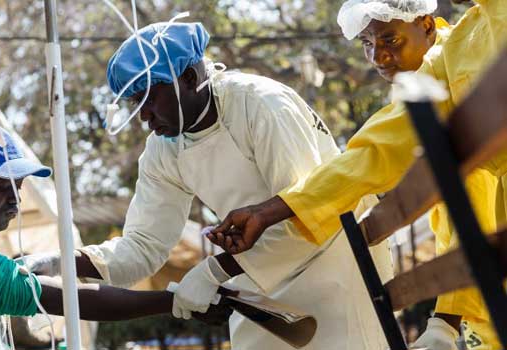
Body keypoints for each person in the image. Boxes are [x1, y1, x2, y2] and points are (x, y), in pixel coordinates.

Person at [27, 21, 393, 350]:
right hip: (258, 286)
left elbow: (310, 212)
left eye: (149, 98)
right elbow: (142, 247)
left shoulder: (260, 103)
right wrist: (60, 262)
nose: (144, 117)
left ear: (188, 77)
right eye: (135, 104)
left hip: (336, 268)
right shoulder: (163, 148)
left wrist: (215, 270)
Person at [208, 0, 507, 349]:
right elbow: (371, 153)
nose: (378, 58)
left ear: (425, 26)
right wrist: (267, 211)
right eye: (368, 45)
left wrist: (446, 320)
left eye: (390, 41)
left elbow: (473, 196)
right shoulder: (452, 54)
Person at [0, 126, 230, 350]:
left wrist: (54, 260)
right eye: (1, 187)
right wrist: (173, 301)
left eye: (18, 187)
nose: (16, 199)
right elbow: (71, 299)